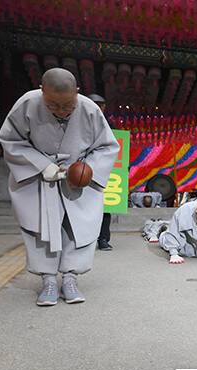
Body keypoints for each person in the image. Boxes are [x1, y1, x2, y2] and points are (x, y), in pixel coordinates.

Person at [0, 68, 119, 306]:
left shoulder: (90, 109)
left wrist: (85, 170)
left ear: (77, 92)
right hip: (39, 177)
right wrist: (43, 165)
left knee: (78, 228)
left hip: (78, 177)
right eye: (53, 105)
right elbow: (11, 140)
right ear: (42, 91)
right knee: (41, 229)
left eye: (68, 106)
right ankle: (49, 280)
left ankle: (71, 279)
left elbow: (107, 146)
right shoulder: (27, 104)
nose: (61, 111)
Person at [87, 94, 114, 252]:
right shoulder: (77, 122)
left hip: (103, 169)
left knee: (105, 208)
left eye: (100, 105)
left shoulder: (109, 125)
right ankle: (84, 239)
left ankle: (103, 238)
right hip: (82, 169)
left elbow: (116, 146)